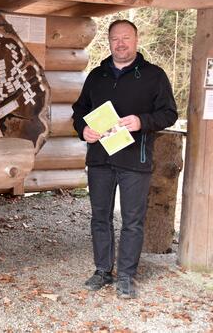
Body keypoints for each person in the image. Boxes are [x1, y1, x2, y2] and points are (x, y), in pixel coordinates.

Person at [72, 20, 177, 299]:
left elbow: (169, 114)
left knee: (132, 220)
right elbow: (79, 110)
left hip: (135, 160)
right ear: (108, 42)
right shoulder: (97, 75)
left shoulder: (154, 75)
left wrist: (141, 121)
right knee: (100, 217)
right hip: (100, 160)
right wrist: (83, 129)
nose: (120, 43)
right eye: (115, 38)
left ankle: (127, 276)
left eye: (126, 38)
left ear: (136, 40)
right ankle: (103, 270)